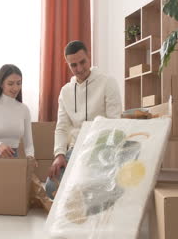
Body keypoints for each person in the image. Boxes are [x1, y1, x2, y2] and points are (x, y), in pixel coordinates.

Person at [45, 40, 122, 199]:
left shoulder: (108, 82)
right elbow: (62, 127)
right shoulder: (65, 91)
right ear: (67, 64)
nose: (79, 69)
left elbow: (115, 122)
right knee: (51, 188)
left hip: (100, 147)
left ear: (89, 57)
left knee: (93, 190)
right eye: (73, 65)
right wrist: (59, 154)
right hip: (75, 149)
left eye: (82, 62)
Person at [0, 64, 34, 159]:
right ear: (1, 84)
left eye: (19, 83)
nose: (16, 88)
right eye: (10, 84)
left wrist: (30, 156)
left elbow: (28, 145)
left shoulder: (24, 109)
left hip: (13, 158)